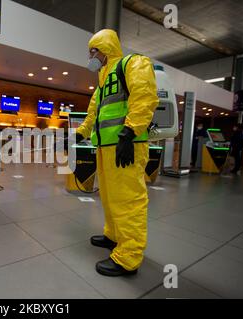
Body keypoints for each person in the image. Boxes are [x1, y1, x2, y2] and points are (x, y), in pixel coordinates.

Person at [75, 29, 159, 276]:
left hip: (126, 146)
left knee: (128, 200)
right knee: (111, 197)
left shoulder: (132, 63)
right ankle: (114, 236)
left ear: (106, 49)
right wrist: (79, 134)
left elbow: (145, 97)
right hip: (106, 148)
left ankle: (128, 257)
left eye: (93, 50)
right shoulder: (103, 80)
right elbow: (94, 113)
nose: (91, 55)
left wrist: (130, 131)